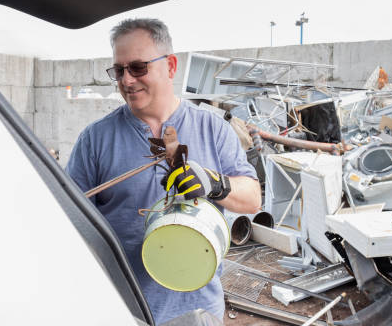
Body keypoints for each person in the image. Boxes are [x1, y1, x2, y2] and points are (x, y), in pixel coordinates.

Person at [66, 18, 261, 324]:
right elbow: (72, 225)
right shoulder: (95, 139)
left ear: (170, 66)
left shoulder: (213, 128)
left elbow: (253, 199)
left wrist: (215, 183)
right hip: (123, 310)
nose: (127, 80)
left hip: (197, 311)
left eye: (138, 67)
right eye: (119, 70)